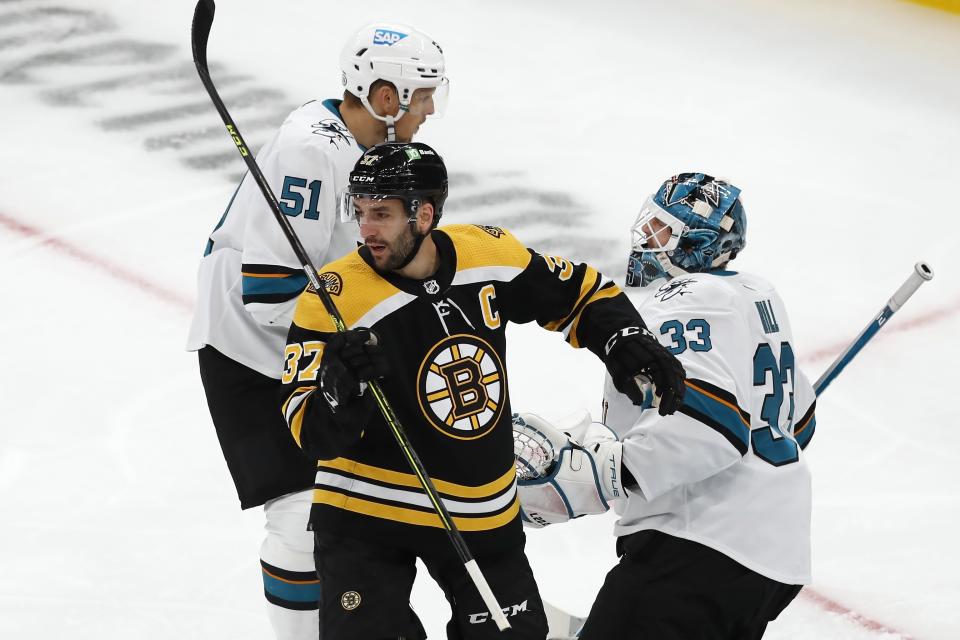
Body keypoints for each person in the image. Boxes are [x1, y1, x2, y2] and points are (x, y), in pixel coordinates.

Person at [279, 142, 687, 639]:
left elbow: (579, 290)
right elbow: (307, 430)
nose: (365, 229)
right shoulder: (333, 297)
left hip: (478, 507)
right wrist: (340, 391)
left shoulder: (486, 255)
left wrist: (622, 333)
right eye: (360, 212)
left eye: (381, 214)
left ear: (424, 214)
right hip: (365, 510)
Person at [186, 23, 448, 640]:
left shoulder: (360, 144)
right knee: (303, 519)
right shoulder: (313, 149)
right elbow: (272, 292)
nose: (431, 108)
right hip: (254, 355)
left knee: (373, 502)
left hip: (314, 348)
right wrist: (357, 340)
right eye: (423, 94)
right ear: (386, 98)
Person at [515, 173, 816, 639]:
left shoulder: (684, 300)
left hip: (700, 545)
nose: (646, 239)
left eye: (662, 230)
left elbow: (712, 429)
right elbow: (799, 421)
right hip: (772, 558)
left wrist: (608, 472)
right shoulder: (758, 295)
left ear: (695, 242)